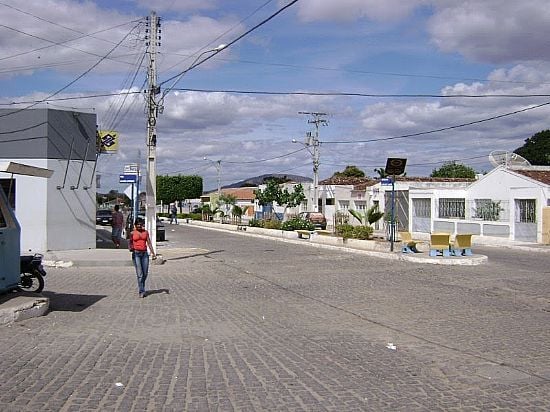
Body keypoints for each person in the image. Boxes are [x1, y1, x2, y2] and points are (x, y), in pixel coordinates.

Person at [128, 217, 156, 298]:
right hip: (136, 254)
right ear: (135, 225)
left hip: (144, 254)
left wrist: (153, 253)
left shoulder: (145, 232)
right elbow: (130, 242)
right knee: (140, 274)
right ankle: (141, 290)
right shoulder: (132, 233)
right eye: (138, 225)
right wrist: (131, 248)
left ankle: (142, 286)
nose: (140, 226)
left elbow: (149, 243)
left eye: (141, 224)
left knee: (145, 273)